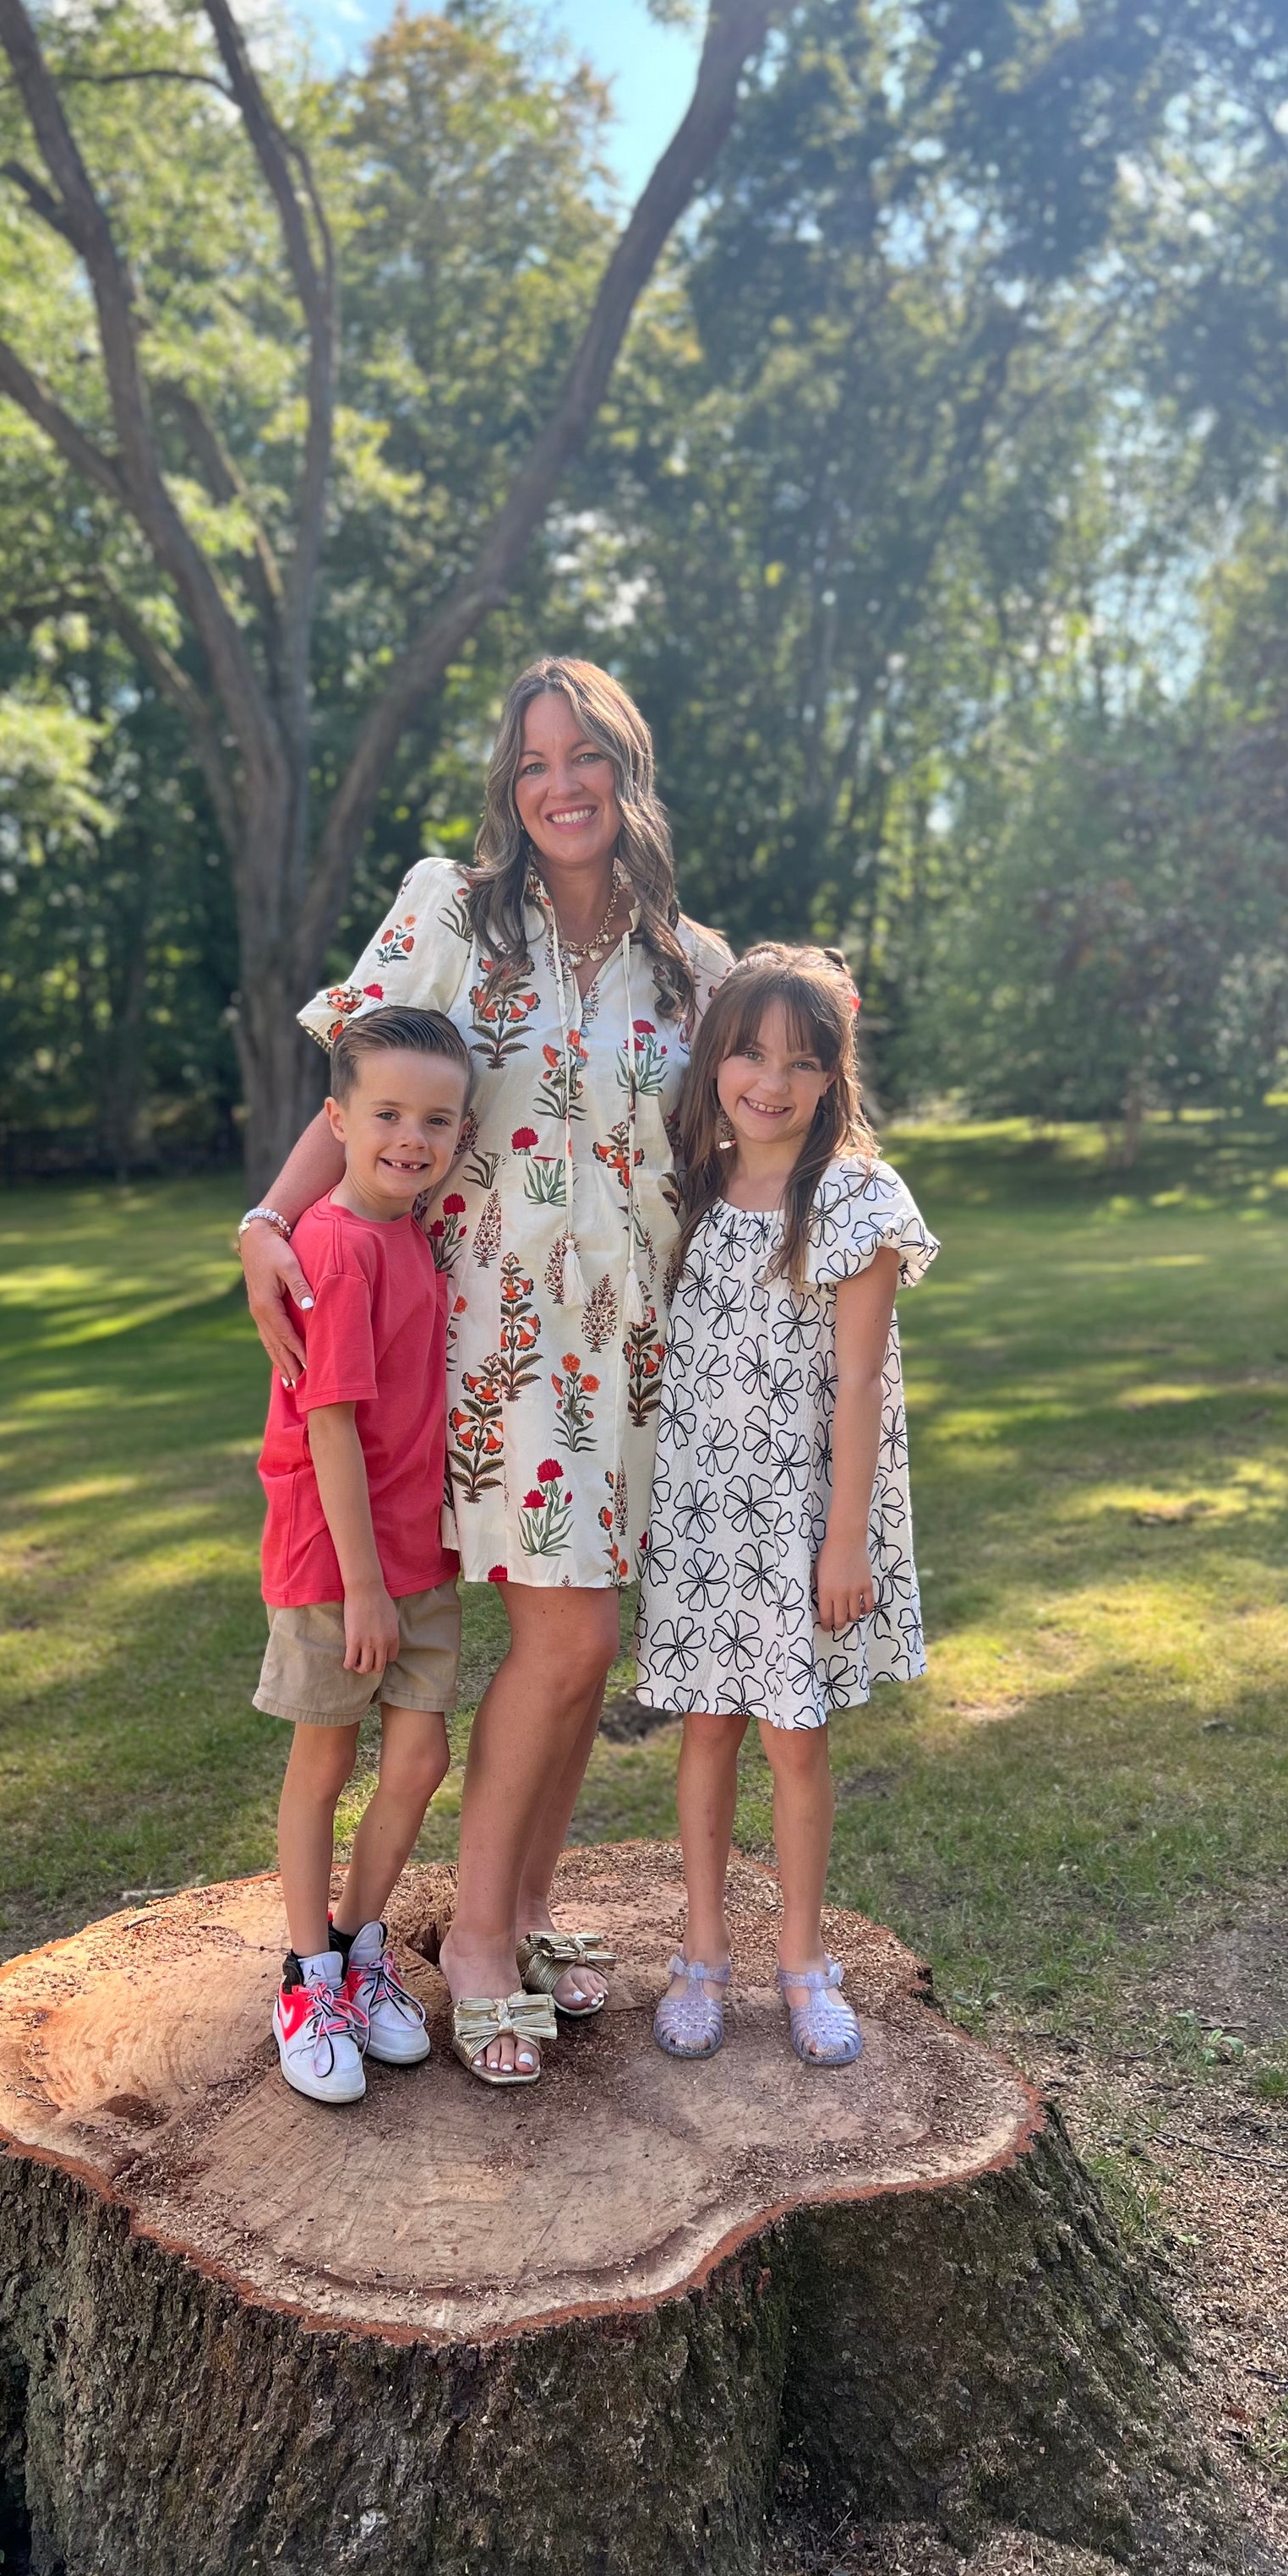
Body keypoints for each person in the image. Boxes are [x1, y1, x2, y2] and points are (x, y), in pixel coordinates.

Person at [239, 657, 731, 2082]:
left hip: (635, 1355)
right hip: (486, 1345)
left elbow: (741, 1141)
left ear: (628, 770)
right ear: (509, 789)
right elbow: (361, 1089)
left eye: (585, 758)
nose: (560, 786)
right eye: (532, 764)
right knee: (567, 1642)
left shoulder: (690, 965)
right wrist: (270, 1218)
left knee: (580, 1651)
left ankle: (519, 1906)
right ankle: (467, 1943)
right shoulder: (454, 913)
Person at [634, 945, 939, 2069]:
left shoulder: (855, 1199)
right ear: (716, 1057)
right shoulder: (690, 1188)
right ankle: (703, 1953)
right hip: (703, 1516)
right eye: (751, 1054)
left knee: (795, 1740)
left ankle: (804, 1960)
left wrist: (843, 1540)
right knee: (706, 1730)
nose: (771, 1082)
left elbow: (860, 1383)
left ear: (832, 1077)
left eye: (802, 1062)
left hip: (802, 1517)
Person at [255, 1004, 472, 2105]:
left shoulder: (407, 1232)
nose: (412, 1138)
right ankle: (306, 1979)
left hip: (414, 1552)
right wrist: (364, 1589)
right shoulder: (336, 1248)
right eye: (387, 1114)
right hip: (340, 1563)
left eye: (437, 1120)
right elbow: (330, 1428)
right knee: (325, 1763)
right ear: (336, 1121)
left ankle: (358, 1943)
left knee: (421, 1760)